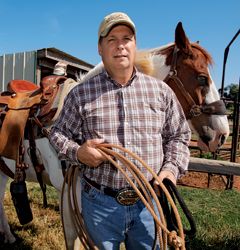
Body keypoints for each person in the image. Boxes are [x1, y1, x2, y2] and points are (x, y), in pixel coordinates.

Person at [49, 12, 191, 250]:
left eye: (127, 38)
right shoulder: (81, 94)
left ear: (135, 45)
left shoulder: (161, 92)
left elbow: (179, 135)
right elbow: (57, 133)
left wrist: (170, 170)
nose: (120, 46)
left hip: (149, 201)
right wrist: (78, 152)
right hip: (100, 202)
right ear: (100, 48)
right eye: (111, 39)